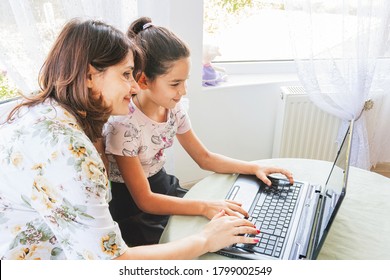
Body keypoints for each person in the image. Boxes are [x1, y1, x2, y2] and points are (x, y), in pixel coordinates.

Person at [0, 18, 260, 260]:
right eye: (126, 75)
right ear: (90, 76)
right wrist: (206, 239)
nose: (135, 86)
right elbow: (116, 262)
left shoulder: (42, 108)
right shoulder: (72, 153)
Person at [103, 17, 294, 246]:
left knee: (225, 224)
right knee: (190, 242)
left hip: (163, 186)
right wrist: (204, 206)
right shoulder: (123, 126)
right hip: (135, 207)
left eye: (185, 81)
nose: (183, 91)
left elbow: (204, 158)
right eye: (175, 84)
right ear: (143, 80)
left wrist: (254, 167)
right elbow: (145, 200)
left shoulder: (174, 110)